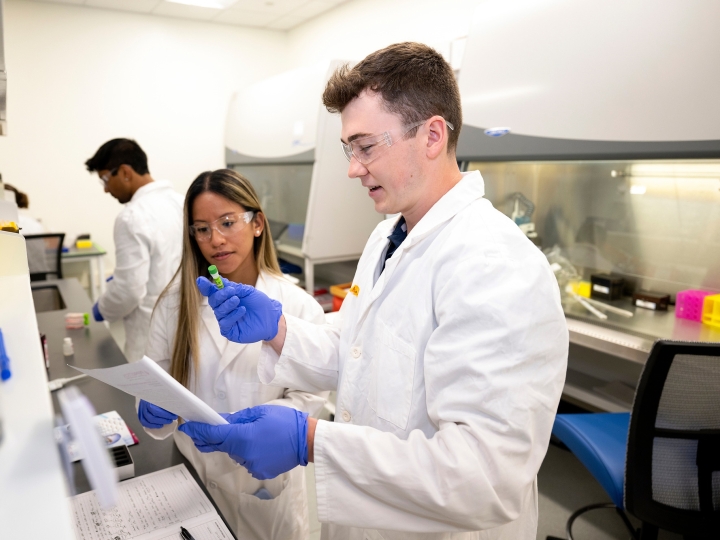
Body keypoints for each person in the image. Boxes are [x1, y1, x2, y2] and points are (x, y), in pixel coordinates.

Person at [180, 43, 569, 540]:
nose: (353, 168)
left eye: (366, 147)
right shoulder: (389, 237)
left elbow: (484, 477)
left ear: (432, 135)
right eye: (349, 149)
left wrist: (312, 440)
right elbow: (361, 349)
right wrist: (279, 330)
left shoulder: (496, 264)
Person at [137, 169, 327, 539]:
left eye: (227, 223)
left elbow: (311, 394)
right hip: (193, 476)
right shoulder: (175, 304)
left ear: (257, 223)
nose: (216, 240)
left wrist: (264, 428)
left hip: (264, 485)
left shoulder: (297, 306)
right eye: (202, 228)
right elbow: (156, 383)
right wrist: (152, 408)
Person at [85, 139, 183, 362]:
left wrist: (102, 308)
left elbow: (129, 290)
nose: (106, 189)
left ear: (125, 172)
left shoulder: (131, 216)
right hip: (187, 327)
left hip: (151, 335)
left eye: (105, 180)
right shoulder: (181, 202)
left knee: (149, 394)